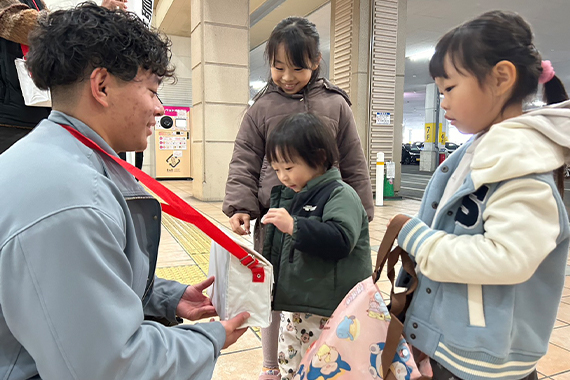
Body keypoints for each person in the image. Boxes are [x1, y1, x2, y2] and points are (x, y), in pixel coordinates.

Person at [0, 4, 249, 379]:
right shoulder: (71, 201)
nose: (158, 108)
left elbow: (76, 292)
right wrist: (209, 338)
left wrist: (166, 296)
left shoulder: (59, 157)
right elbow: (112, 365)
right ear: (101, 86)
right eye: (151, 90)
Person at [392, 10, 570, 380]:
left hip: (481, 360)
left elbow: (507, 259)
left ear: (502, 77)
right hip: (455, 344)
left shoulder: (521, 165)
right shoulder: (482, 151)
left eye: (450, 88)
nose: (443, 102)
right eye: (440, 91)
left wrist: (420, 242)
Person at [222, 18, 373, 378]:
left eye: (298, 67)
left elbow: (353, 159)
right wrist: (242, 206)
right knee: (270, 292)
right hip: (274, 215)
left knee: (318, 283)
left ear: (316, 61)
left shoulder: (336, 105)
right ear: (269, 62)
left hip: (322, 213)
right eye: (278, 67)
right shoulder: (260, 107)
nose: (287, 76)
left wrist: (362, 213)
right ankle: (271, 365)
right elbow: (244, 156)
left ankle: (330, 355)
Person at [259, 112, 372, 379]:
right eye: (276, 170)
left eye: (288, 168)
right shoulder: (296, 194)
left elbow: (341, 238)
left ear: (319, 158)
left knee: (325, 369)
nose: (283, 177)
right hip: (298, 306)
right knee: (293, 364)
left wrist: (295, 226)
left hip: (330, 310)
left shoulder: (340, 193)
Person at [0, 0, 126, 154]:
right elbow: (22, 23)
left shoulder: (36, 2)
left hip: (38, 113)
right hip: (9, 119)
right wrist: (93, 16)